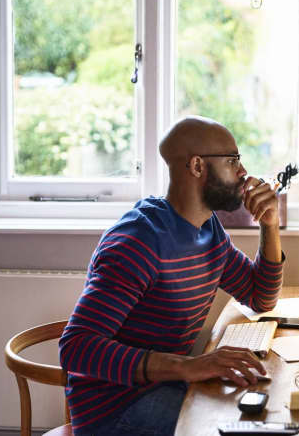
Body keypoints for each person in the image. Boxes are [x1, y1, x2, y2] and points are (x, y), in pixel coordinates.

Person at [58, 116, 284, 435]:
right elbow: (75, 348)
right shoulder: (139, 241)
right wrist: (189, 366)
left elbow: (260, 298)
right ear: (196, 166)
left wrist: (270, 224)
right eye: (232, 161)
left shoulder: (208, 230)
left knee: (264, 409)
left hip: (164, 388)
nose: (243, 172)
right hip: (116, 412)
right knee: (240, 426)